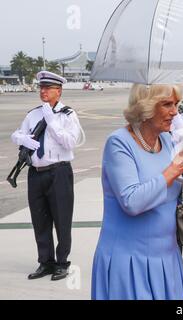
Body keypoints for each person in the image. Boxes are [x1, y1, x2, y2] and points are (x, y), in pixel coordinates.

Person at [91, 84, 183, 300]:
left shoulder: (166, 140)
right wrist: (173, 170)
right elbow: (132, 202)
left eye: (177, 104)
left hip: (167, 258)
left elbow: (170, 196)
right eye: (167, 104)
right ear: (146, 107)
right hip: (130, 262)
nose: (175, 111)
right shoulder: (119, 143)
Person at [11, 71, 84, 281]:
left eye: (48, 88)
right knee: (39, 220)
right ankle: (45, 262)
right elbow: (16, 134)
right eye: (41, 88)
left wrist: (52, 122)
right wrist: (22, 140)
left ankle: (62, 263)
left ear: (58, 91)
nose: (43, 91)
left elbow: (70, 142)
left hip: (59, 172)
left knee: (62, 220)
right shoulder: (32, 114)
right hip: (36, 173)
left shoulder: (68, 115)